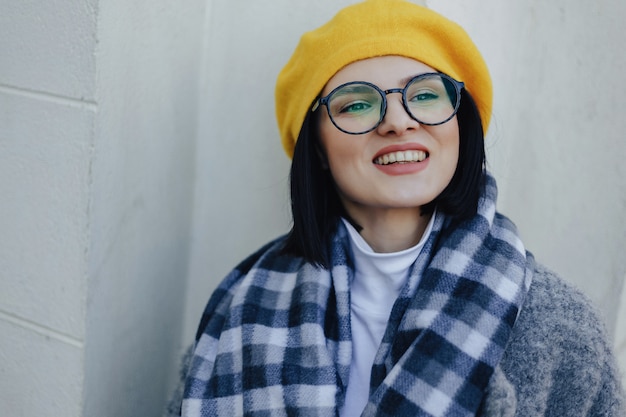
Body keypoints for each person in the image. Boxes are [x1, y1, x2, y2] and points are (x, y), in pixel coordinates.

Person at [172, 0, 625, 415]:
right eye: (357, 104)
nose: (397, 121)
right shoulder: (242, 311)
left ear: (460, 125)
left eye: (426, 95)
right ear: (318, 150)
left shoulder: (556, 326)